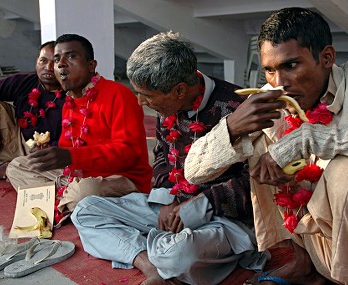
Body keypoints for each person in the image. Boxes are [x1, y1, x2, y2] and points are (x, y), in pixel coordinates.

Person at [184, 7, 348, 285]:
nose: (280, 83)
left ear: (326, 57)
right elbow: (194, 172)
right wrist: (232, 126)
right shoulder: (272, 100)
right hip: (320, 249)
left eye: (291, 65)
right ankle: (305, 264)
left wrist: (306, 139)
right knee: (262, 149)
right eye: (269, 70)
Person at [71, 31, 267, 285]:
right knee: (86, 210)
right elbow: (163, 155)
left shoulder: (238, 109)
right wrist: (166, 197)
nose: (140, 102)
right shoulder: (169, 106)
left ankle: (159, 251)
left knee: (178, 256)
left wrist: (198, 205)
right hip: (173, 208)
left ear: (179, 90)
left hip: (223, 221)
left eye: (147, 95)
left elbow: (255, 182)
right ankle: (148, 263)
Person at [6, 34, 152, 223]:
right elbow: (70, 148)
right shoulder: (70, 100)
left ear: (91, 65)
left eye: (71, 57)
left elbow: (129, 153)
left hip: (122, 177)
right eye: (57, 59)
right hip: (79, 175)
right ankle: (69, 204)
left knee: (85, 192)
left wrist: (71, 156)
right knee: (17, 167)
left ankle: (59, 202)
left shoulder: (118, 95)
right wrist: (53, 156)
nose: (60, 64)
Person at [0, 41, 64, 182]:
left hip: (48, 154)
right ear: (36, 61)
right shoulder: (25, 82)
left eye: (55, 62)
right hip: (16, 140)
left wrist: (49, 149)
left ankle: (8, 169)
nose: (48, 67)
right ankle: (7, 166)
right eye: (43, 60)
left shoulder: (73, 93)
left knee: (67, 176)